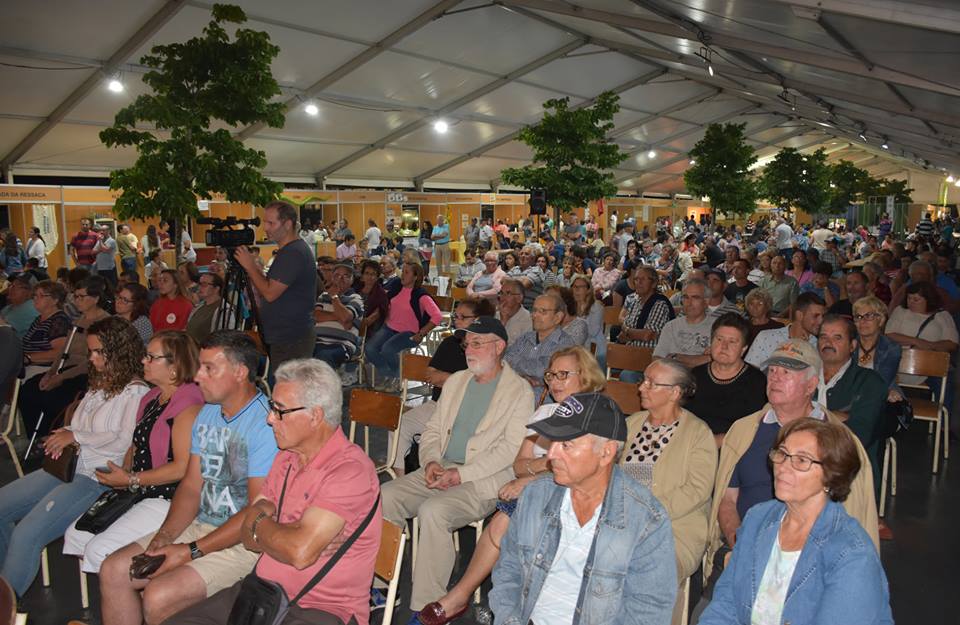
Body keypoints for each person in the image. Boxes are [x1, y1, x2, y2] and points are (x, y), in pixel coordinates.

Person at [165, 359, 381, 625]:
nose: (269, 419)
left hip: (319, 607)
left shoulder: (350, 471)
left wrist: (262, 521)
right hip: (262, 593)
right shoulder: (286, 457)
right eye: (271, 407)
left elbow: (299, 553)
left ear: (315, 416)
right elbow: (248, 538)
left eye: (279, 410)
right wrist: (284, 531)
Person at [415, 346, 606, 625]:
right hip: (538, 486)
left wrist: (533, 476)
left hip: (576, 493)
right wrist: (544, 468)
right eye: (551, 375)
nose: (554, 382)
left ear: (585, 376)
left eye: (563, 374)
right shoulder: (544, 414)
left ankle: (466, 597)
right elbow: (518, 464)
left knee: (505, 520)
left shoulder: (598, 415)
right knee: (506, 519)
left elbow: (587, 471)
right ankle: (493, 603)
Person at [98, 331, 278, 625]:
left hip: (244, 543)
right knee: (114, 570)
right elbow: (192, 486)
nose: (197, 376)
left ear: (240, 372)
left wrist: (190, 551)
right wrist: (166, 535)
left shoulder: (265, 425)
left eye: (209, 368)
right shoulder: (208, 414)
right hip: (200, 527)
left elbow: (254, 513)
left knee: (159, 594)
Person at [379, 317, 533, 619]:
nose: (469, 350)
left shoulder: (519, 392)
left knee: (434, 511)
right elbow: (433, 429)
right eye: (467, 344)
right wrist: (431, 461)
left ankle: (428, 607)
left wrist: (461, 474)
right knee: (386, 495)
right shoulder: (457, 382)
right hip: (443, 467)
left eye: (477, 343)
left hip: (484, 479)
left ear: (499, 347)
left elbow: (510, 451)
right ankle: (384, 586)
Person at [490, 392, 677, 625]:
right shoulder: (535, 496)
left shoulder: (646, 521)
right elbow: (508, 573)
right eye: (552, 442)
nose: (551, 454)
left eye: (566, 445)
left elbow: (648, 611)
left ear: (606, 452)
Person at [704, 340, 879, 586]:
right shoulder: (744, 431)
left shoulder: (839, 442)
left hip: (812, 564)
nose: (775, 377)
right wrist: (742, 543)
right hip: (742, 547)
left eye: (787, 372)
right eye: (773, 371)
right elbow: (727, 499)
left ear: (811, 385)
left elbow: (849, 517)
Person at [0, 317, 149, 596]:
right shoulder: (100, 384)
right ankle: (6, 585)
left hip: (97, 478)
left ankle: (7, 601)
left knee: (26, 534)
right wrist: (64, 434)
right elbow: (81, 427)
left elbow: (125, 441)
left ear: (119, 351)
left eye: (98, 352)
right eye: (91, 351)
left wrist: (76, 437)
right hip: (68, 468)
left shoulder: (136, 391)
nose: (91, 358)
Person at [699, 419, 893, 625]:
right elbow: (726, 603)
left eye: (801, 460)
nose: (782, 467)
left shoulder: (851, 553)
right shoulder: (758, 519)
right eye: (782, 454)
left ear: (831, 476)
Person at [63, 331, 204, 573]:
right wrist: (124, 472)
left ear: (174, 367)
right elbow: (136, 443)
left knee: (99, 549)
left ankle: (123, 585)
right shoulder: (152, 397)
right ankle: (113, 585)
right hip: (139, 489)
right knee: (77, 536)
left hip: (168, 496)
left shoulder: (189, 405)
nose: (143, 361)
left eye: (151, 357)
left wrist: (131, 479)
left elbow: (182, 468)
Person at [622, 359, 717, 624]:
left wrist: (646, 513)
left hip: (674, 531)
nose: (641, 387)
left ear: (675, 392)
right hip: (623, 523)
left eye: (652, 383)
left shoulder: (698, 433)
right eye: (643, 380)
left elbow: (697, 490)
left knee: (647, 573)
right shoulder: (632, 424)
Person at [388, 298, 495, 476]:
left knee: (446, 437)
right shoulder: (450, 343)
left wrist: (448, 379)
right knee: (399, 426)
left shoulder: (487, 347)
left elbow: (479, 385)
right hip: (438, 404)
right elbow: (431, 375)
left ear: (478, 320)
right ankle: (400, 479)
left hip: (467, 411)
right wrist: (461, 380)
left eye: (462, 317)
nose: (456, 320)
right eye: (455, 316)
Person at [19, 276, 112, 440]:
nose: (77, 300)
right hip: (65, 368)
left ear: (95, 298)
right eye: (75, 296)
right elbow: (64, 350)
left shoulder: (104, 322)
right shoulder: (77, 321)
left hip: (86, 372)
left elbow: (91, 361)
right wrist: (51, 373)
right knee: (27, 391)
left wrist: (61, 377)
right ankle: (37, 436)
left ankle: (52, 437)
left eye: (81, 296)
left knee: (53, 398)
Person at [234, 201, 318, 379]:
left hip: (291, 338)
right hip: (288, 336)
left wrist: (250, 266)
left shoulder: (292, 253)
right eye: (265, 222)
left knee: (288, 388)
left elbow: (270, 293)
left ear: (287, 224)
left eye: (271, 223)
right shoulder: (291, 250)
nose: (265, 228)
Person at [817, 315, 888, 498]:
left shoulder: (870, 382)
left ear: (852, 345)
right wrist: (836, 417)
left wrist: (812, 415)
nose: (828, 343)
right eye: (823, 336)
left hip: (848, 473)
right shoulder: (804, 376)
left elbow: (859, 433)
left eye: (837, 337)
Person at [687, 313, 768, 445]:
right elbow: (682, 416)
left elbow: (753, 428)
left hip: (732, 447)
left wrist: (714, 442)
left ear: (743, 349)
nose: (724, 346)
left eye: (732, 342)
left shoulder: (756, 381)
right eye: (719, 339)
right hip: (692, 443)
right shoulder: (696, 375)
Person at [365, 262, 441, 391]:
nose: (402, 275)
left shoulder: (421, 295)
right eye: (402, 271)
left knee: (387, 349)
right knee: (370, 348)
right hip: (389, 328)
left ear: (415, 277)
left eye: (406, 272)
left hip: (409, 333)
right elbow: (384, 306)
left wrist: (421, 333)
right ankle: (389, 374)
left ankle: (396, 377)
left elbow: (437, 316)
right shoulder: (396, 290)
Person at [504, 292, 577, 396]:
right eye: (534, 310)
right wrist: (522, 377)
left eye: (543, 311)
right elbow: (505, 360)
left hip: (543, 399)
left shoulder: (564, 344)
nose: (535, 315)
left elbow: (543, 370)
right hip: (515, 390)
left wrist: (517, 365)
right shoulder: (525, 338)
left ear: (558, 317)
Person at [746, 292, 825, 368]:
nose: (821, 321)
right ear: (799, 315)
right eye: (816, 316)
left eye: (823, 316)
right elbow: (748, 372)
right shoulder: (765, 338)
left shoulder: (819, 347)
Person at [312, 263, 364, 370]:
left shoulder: (356, 299)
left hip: (341, 344)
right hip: (317, 341)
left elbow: (345, 317)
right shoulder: (323, 296)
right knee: (296, 353)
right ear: (332, 278)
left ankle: (324, 381)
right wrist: (339, 317)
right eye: (337, 275)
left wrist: (334, 297)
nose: (341, 279)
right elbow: (316, 316)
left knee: (323, 357)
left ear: (352, 280)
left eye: (346, 276)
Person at [654, 278, 714, 367]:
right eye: (686, 297)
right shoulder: (671, 326)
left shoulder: (718, 327)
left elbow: (716, 360)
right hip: (673, 374)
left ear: (706, 301)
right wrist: (701, 359)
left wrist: (676, 358)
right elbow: (657, 359)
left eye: (695, 297)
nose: (689, 303)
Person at [852, 296, 902, 394]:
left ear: (881, 320)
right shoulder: (847, 344)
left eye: (868, 316)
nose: (862, 321)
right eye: (858, 317)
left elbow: (882, 382)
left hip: (879, 395)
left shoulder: (891, 348)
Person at [186, 273, 235, 345]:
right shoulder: (199, 307)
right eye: (199, 284)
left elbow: (224, 339)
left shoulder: (225, 310)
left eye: (204, 284)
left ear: (216, 289)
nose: (199, 287)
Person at [357, 259, 388, 337]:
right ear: (362, 275)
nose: (369, 277)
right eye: (366, 273)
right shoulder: (356, 287)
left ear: (377, 277)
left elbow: (372, 319)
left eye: (373, 274)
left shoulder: (381, 294)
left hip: (367, 328)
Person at [494, 278, 531, 344]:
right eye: (501, 293)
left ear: (519, 298)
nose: (502, 297)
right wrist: (503, 321)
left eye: (508, 293)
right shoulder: (495, 315)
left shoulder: (528, 319)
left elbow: (523, 347)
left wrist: (504, 320)